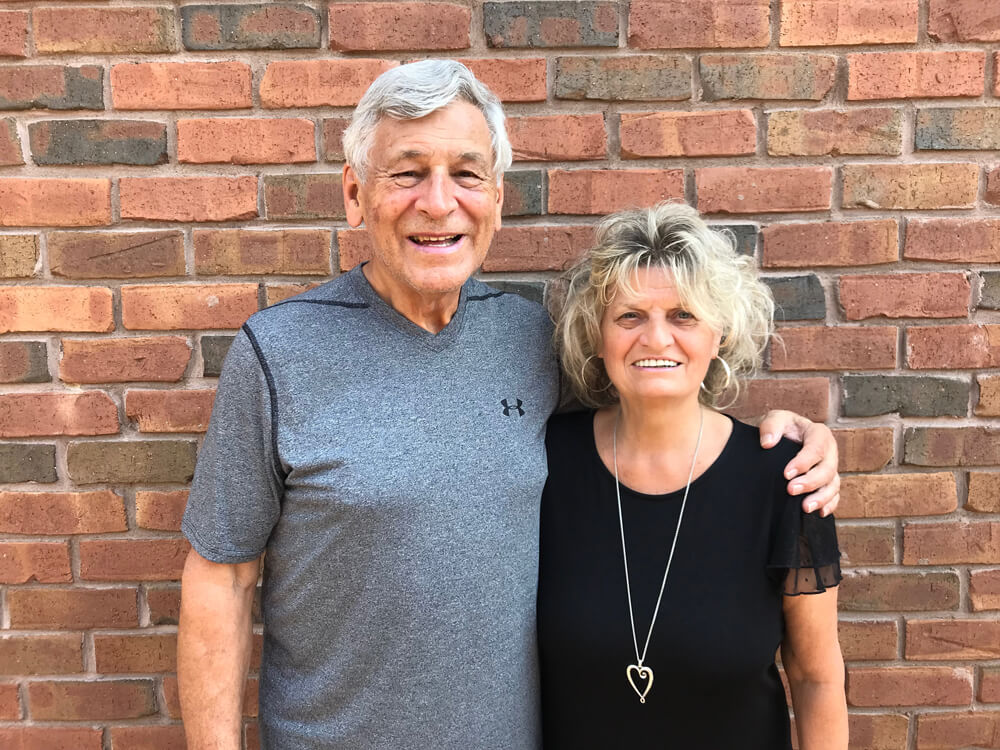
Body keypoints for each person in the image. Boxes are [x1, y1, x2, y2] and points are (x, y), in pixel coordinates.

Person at [177, 60, 841, 749]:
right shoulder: (280, 354)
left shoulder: (530, 342)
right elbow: (223, 580)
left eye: (466, 174)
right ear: (354, 194)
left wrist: (787, 439)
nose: (439, 202)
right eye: (408, 173)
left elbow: (654, 392)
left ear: (496, 197)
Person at [538, 202, 847, 749]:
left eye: (683, 315)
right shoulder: (543, 463)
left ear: (718, 333)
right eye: (630, 316)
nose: (656, 338)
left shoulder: (786, 480)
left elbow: (815, 677)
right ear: (598, 335)